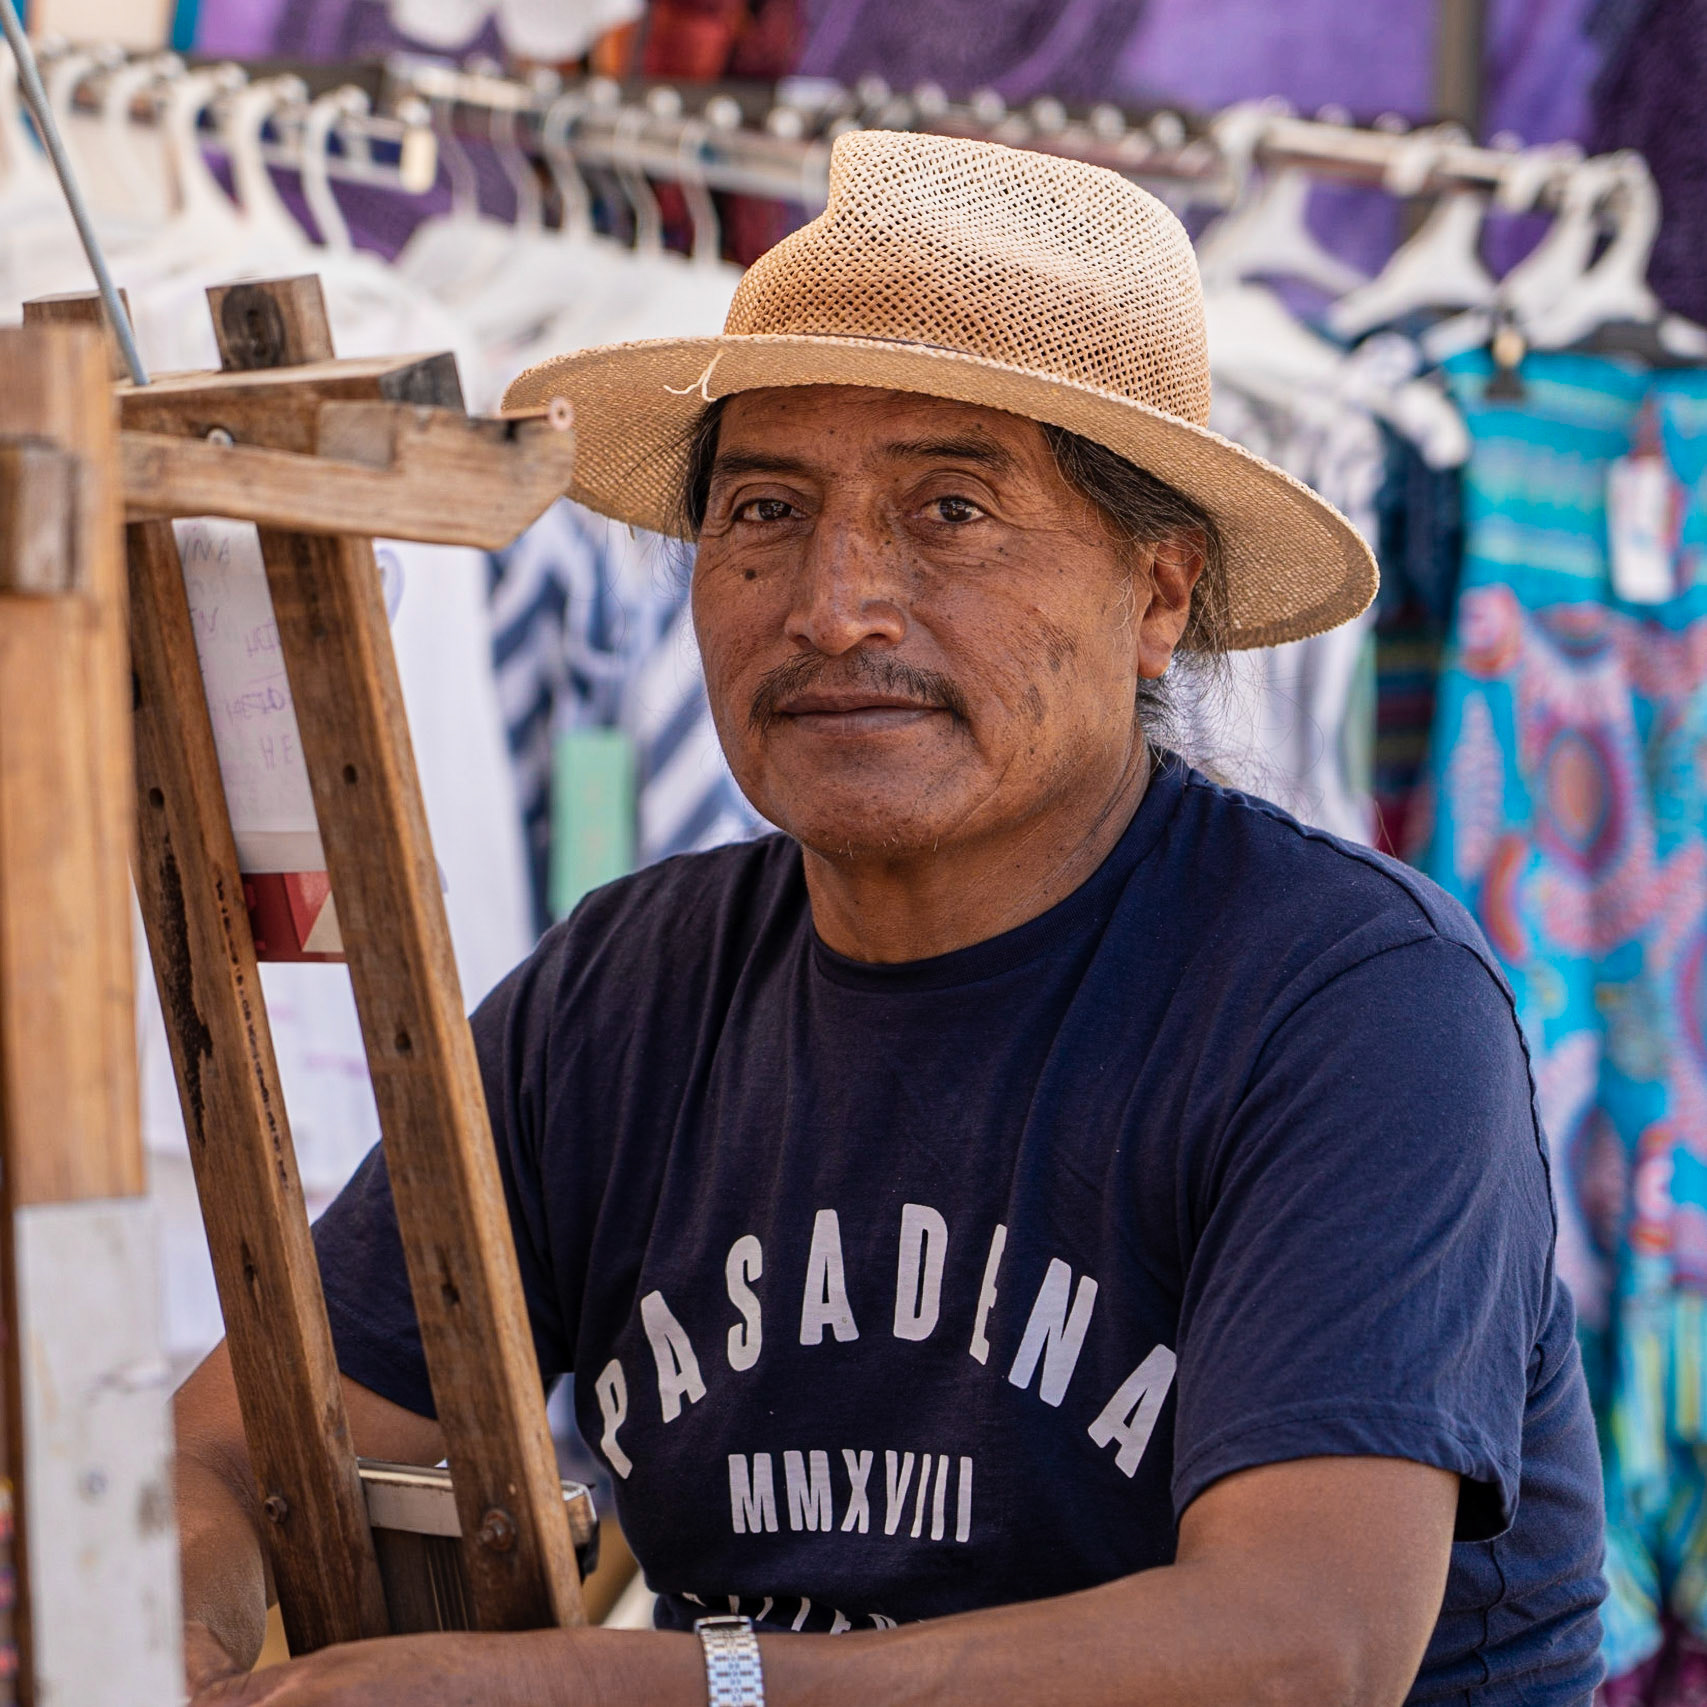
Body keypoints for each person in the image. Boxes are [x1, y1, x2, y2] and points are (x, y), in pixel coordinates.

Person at [178, 130, 1606, 1707]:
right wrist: (165, 1626)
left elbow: (1291, 1653)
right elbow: (243, 1446)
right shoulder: (625, 993)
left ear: (1158, 597)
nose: (833, 603)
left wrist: (602, 1688)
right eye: (767, 509)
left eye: (952, 511)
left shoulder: (1350, 1004)